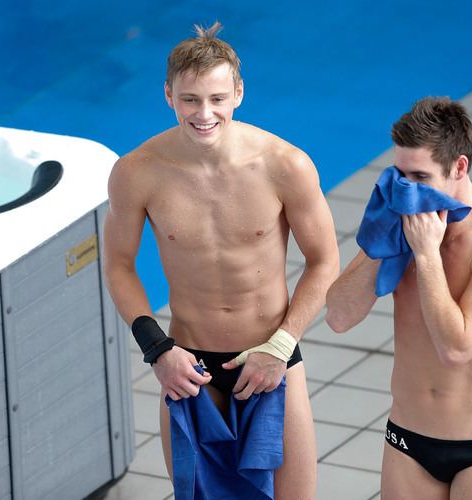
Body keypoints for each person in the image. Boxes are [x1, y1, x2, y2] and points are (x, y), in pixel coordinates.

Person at [102, 22, 339, 499]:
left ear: (238, 93)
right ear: (168, 94)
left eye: (216, 98)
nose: (204, 113)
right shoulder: (138, 172)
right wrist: (157, 350)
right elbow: (120, 265)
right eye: (190, 99)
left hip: (271, 358)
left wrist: (281, 344)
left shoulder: (284, 164)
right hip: (189, 368)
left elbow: (324, 261)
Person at [325, 96, 472, 499]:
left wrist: (425, 254)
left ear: (459, 167)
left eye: (420, 178)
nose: (406, 192)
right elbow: (338, 316)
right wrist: (380, 245)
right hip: (407, 439)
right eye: (399, 176)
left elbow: (457, 348)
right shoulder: (401, 221)